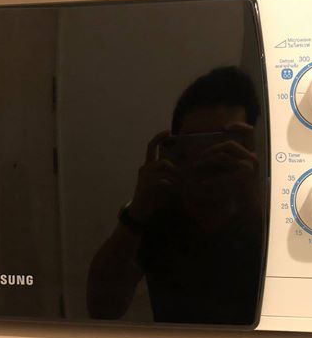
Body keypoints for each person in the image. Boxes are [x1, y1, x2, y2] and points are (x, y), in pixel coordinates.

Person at [86, 66, 265, 324]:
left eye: (223, 143)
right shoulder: (159, 209)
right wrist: (136, 212)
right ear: (176, 146)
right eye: (195, 144)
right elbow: (102, 308)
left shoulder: (270, 210)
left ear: (249, 148)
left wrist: (253, 207)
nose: (208, 157)